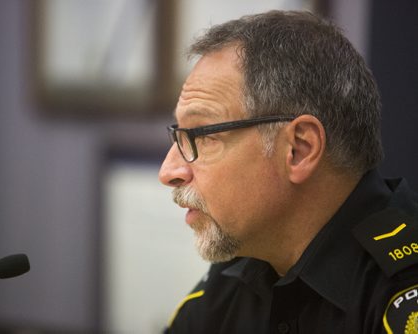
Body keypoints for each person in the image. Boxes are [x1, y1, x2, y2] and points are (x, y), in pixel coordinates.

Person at [158, 10, 418, 334]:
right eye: (178, 135)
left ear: (298, 149)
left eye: (202, 135)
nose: (169, 171)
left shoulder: (401, 292)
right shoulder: (232, 278)